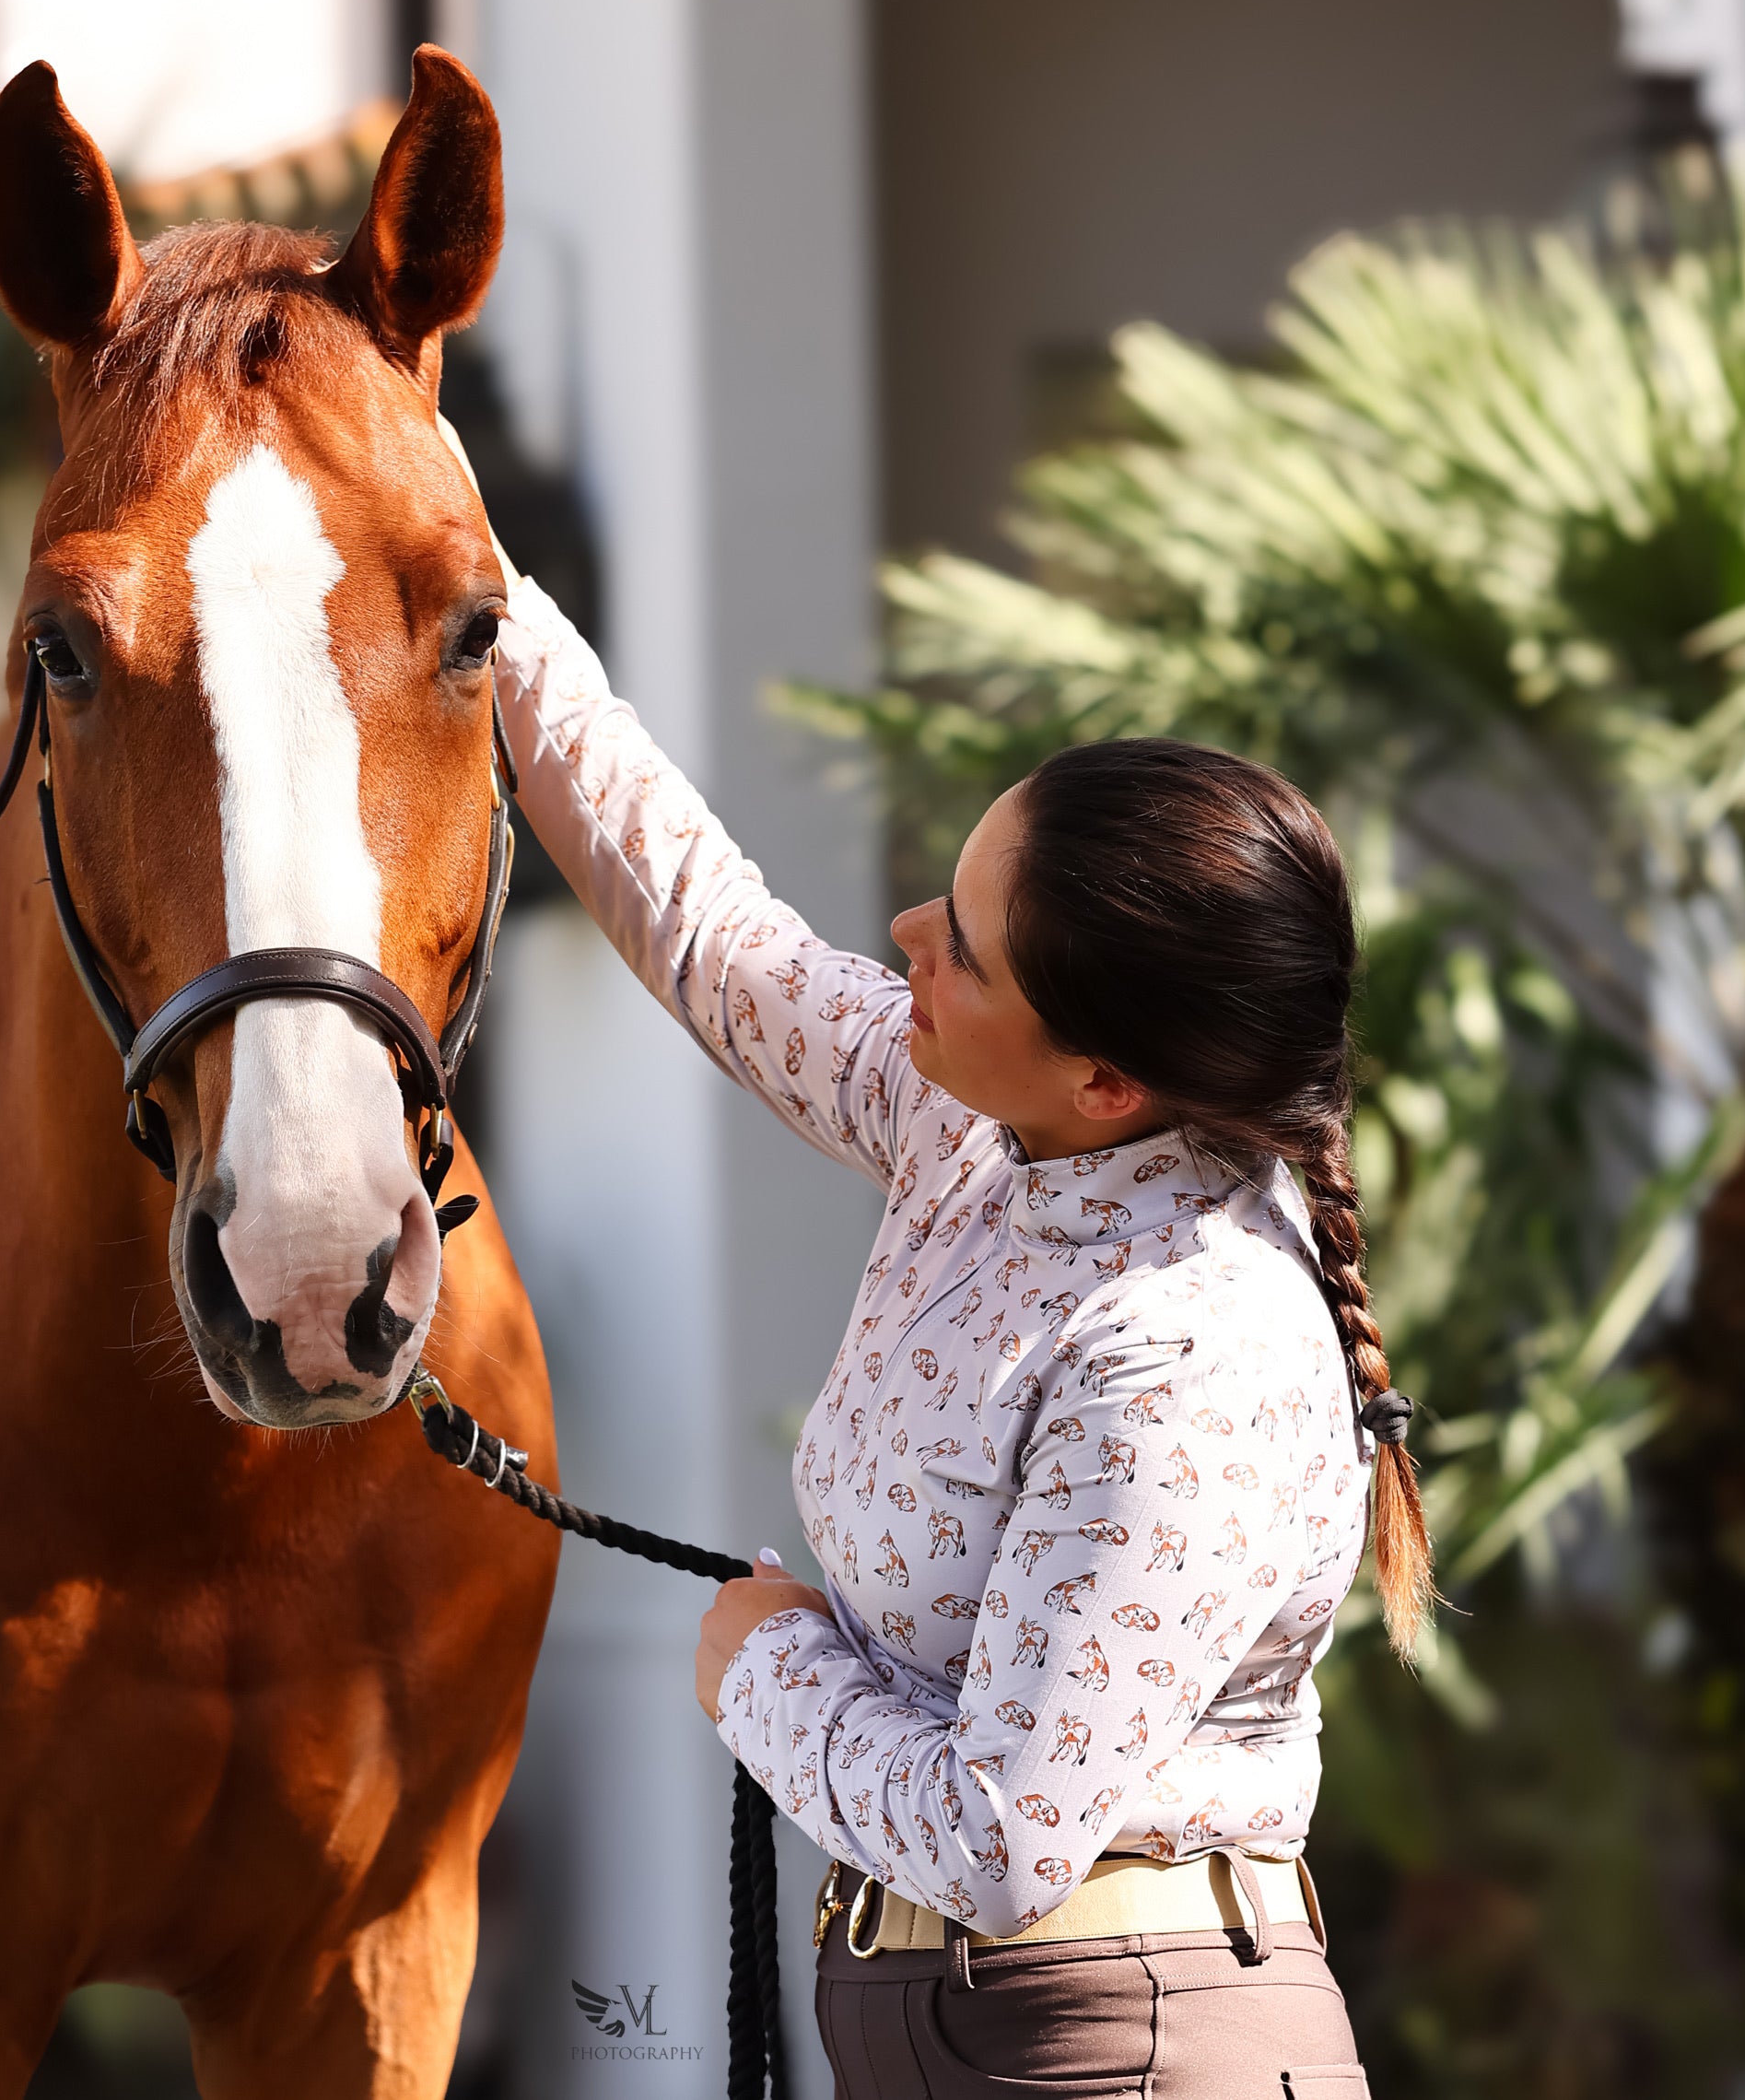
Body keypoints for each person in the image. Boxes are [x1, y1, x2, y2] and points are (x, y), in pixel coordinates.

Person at [492, 555, 1424, 2098]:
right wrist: (481, 586)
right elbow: (718, 944)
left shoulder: (1181, 1350)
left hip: (1117, 2043)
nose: (909, 926)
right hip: (963, 2030)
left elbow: (1003, 1840)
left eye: (966, 947)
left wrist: (762, 1675)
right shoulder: (986, 1128)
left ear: (1107, 1083)